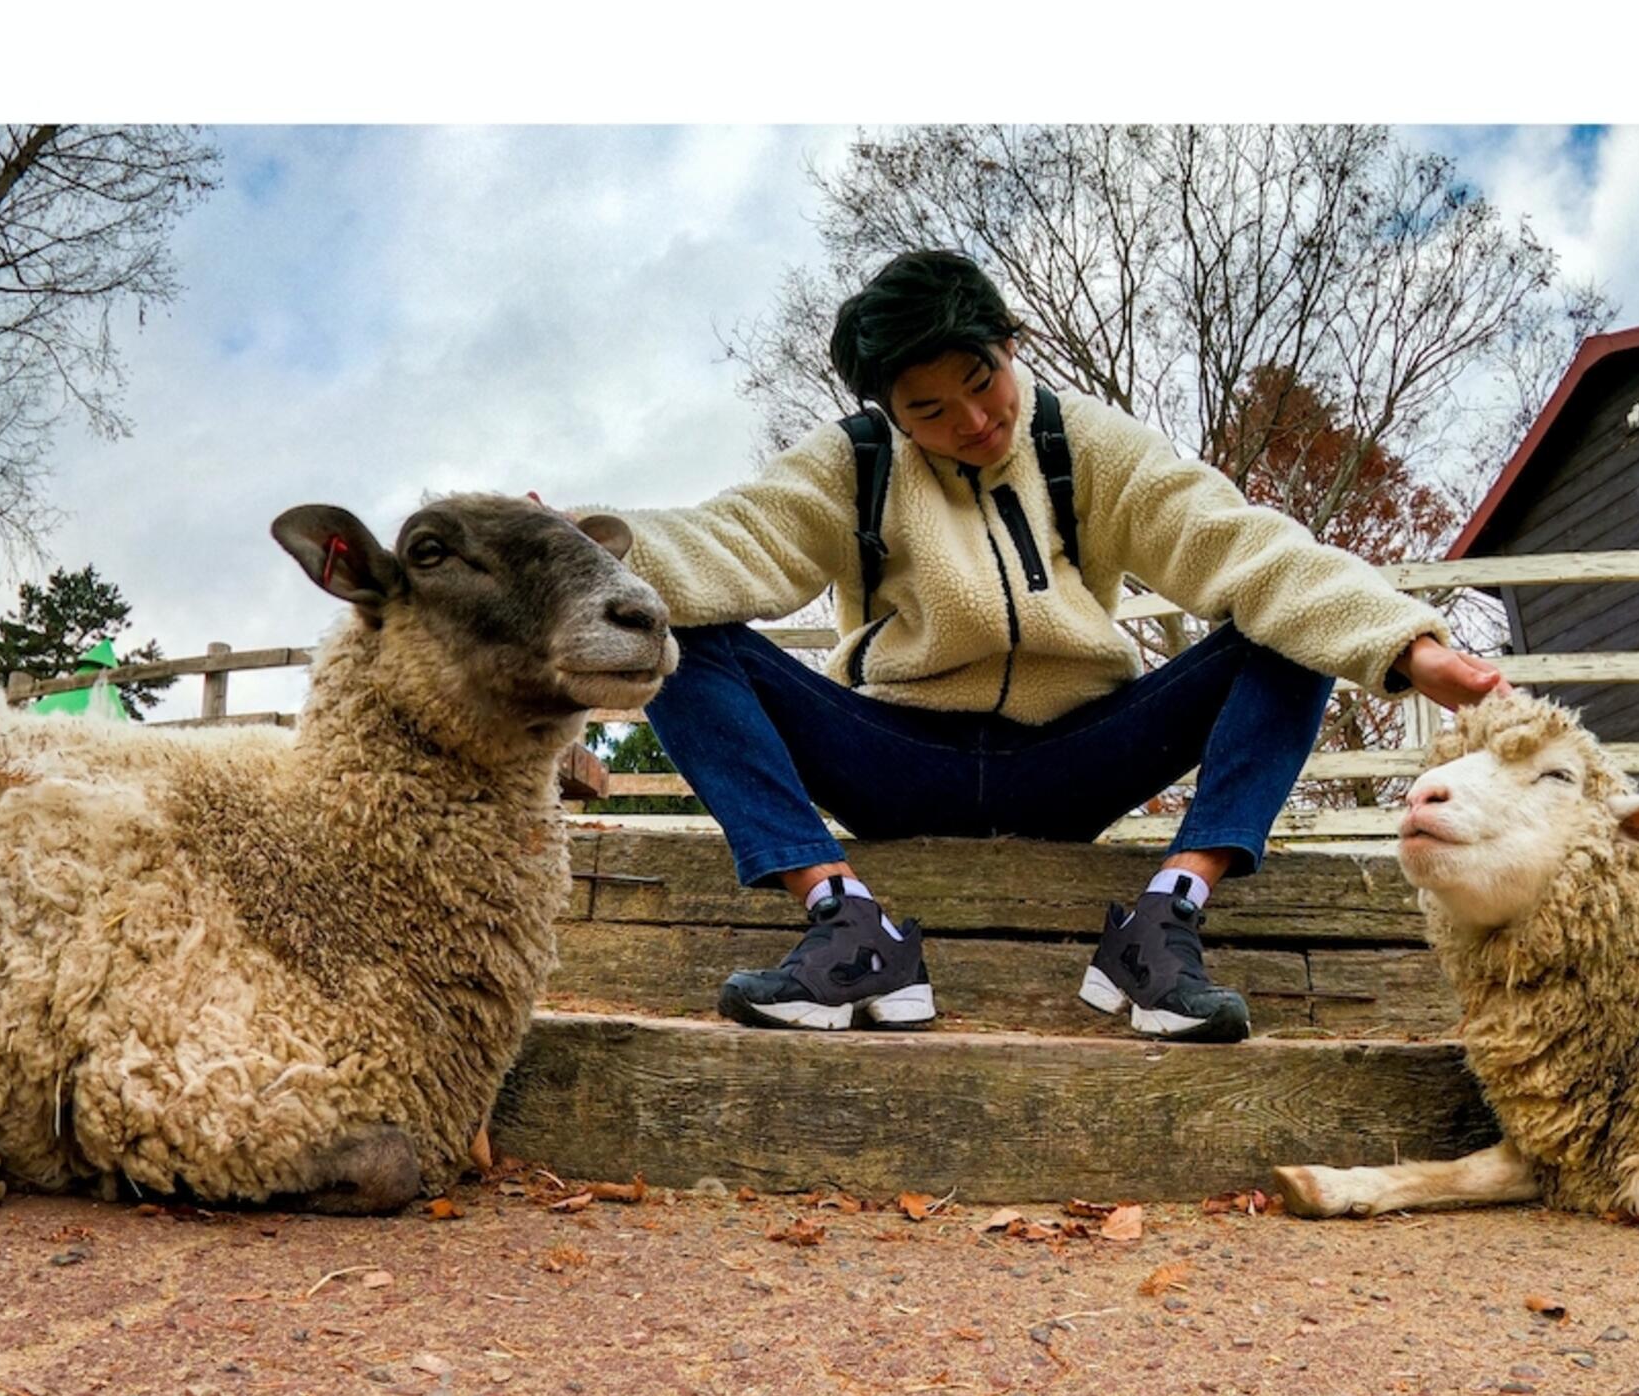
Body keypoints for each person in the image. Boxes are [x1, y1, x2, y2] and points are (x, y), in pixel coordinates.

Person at [577, 250, 1506, 1038]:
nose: (972, 422)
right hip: (898, 759)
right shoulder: (856, 462)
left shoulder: (1084, 444)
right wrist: (580, 553)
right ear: (894, 417)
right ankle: (845, 921)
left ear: (1012, 346)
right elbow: (731, 543)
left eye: (981, 383)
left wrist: (1406, 645)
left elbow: (1236, 541)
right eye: (930, 411)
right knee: (681, 637)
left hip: (1074, 757)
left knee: (1288, 628)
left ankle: (1165, 918)